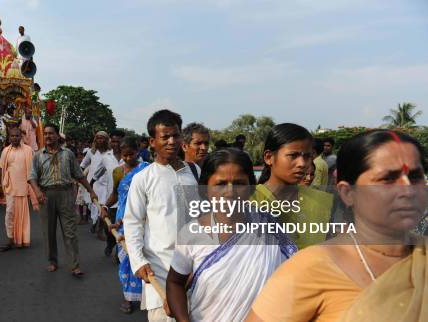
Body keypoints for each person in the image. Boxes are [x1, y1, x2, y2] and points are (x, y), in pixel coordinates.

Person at [246, 129, 427, 322]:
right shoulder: (310, 268)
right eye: (387, 179)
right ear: (348, 193)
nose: (407, 190)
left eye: (415, 177)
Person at [166, 149, 296, 322]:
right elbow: (175, 282)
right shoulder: (191, 234)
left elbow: (294, 276)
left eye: (239, 183)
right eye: (220, 184)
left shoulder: (269, 226)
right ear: (205, 189)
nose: (230, 192)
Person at [124, 109, 198, 322]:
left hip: (195, 269)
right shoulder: (143, 179)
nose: (172, 141)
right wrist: (138, 261)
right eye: (165, 137)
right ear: (152, 141)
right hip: (160, 269)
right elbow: (133, 222)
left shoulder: (194, 173)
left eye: (176, 135)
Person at [29, 124, 98, 277]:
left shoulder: (68, 154)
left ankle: (74, 265)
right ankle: (52, 261)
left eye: (51, 133)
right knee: (49, 232)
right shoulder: (38, 155)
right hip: (46, 196)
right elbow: (32, 177)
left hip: (66, 194)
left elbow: (79, 175)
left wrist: (91, 190)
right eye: (45, 134)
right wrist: (37, 191)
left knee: (70, 232)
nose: (48, 136)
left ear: (57, 136)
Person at [253, 123, 334, 249]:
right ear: (269, 157)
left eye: (307, 156)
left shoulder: (322, 202)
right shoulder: (249, 201)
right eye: (293, 155)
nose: (302, 163)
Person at [100, 137, 149, 314]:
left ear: (138, 152)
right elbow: (115, 194)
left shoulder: (146, 170)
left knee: (144, 257)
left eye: (132, 154)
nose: (128, 158)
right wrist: (105, 206)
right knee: (127, 259)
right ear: (120, 154)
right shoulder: (118, 172)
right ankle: (128, 297)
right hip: (122, 221)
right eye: (124, 154)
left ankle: (147, 296)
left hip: (144, 219)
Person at [0, 127, 35, 251]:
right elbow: (1, 168)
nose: (15, 138)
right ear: (9, 137)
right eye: (12, 136)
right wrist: (0, 185)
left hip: (23, 187)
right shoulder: (6, 151)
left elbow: (33, 170)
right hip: (10, 187)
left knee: (22, 216)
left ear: (21, 137)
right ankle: (10, 239)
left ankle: (22, 239)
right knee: (9, 214)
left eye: (17, 136)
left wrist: (33, 187)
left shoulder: (28, 150)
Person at [81, 131, 118, 233]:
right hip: (94, 184)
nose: (100, 140)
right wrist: (80, 178)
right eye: (98, 138)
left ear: (107, 140)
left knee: (104, 207)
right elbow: (82, 165)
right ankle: (95, 224)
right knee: (95, 207)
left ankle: (100, 229)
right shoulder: (91, 152)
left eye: (102, 138)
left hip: (106, 185)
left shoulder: (110, 154)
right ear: (95, 140)